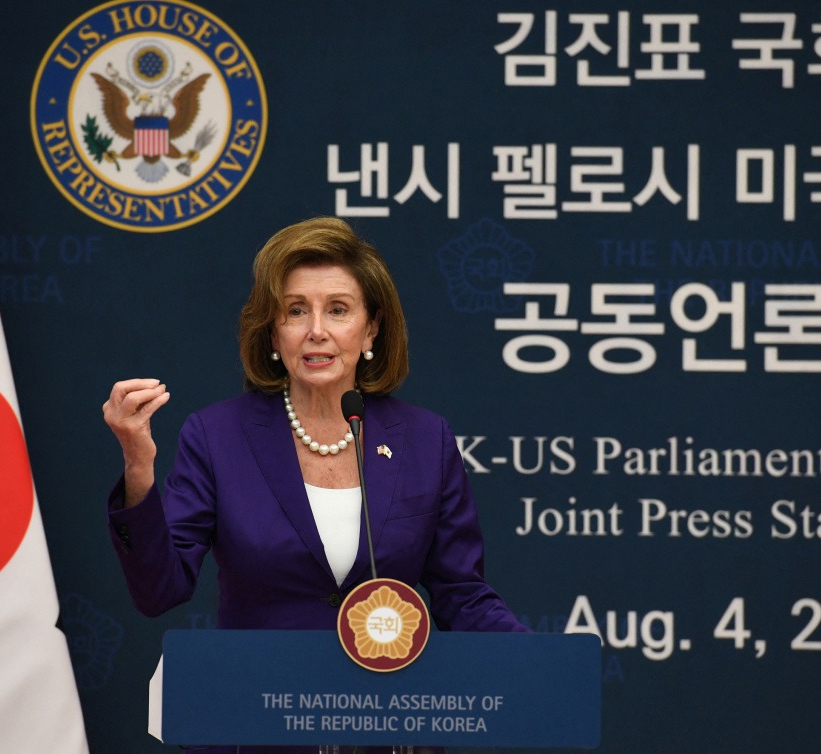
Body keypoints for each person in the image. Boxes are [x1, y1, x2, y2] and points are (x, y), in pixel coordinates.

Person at [102, 216, 528, 753]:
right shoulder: (217, 435)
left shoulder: (425, 439)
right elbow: (160, 590)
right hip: (252, 730)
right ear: (272, 332)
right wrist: (138, 467)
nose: (316, 330)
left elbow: (461, 594)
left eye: (339, 309)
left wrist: (536, 660)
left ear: (371, 330)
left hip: (385, 728)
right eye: (296, 310)